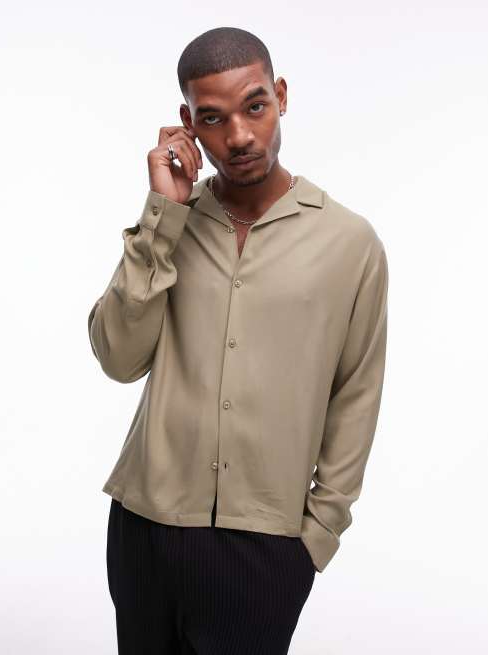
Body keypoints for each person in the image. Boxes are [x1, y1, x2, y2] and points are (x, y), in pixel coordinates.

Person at [88, 26, 389, 655]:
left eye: (255, 106)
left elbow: (356, 395)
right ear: (188, 125)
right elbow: (117, 357)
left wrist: (317, 535)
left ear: (281, 95)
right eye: (213, 118)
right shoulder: (170, 224)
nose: (240, 135)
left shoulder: (349, 244)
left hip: (265, 547)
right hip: (144, 528)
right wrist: (161, 215)